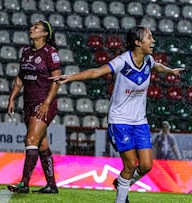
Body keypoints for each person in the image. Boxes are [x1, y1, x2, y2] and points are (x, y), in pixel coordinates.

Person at [49, 26, 184, 203]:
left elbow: (157, 67)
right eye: (149, 38)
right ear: (137, 42)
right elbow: (97, 72)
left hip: (140, 122)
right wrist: (70, 77)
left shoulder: (148, 60)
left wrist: (170, 71)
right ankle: (120, 198)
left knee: (146, 165)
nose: (153, 41)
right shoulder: (123, 61)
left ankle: (122, 182)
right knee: (130, 165)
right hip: (119, 121)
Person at [7, 20, 61, 194]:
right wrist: (12, 98)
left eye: (36, 28)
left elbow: (57, 80)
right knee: (42, 145)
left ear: (45, 34)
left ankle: (24, 183)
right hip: (28, 103)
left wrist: (46, 103)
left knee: (30, 140)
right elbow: (20, 77)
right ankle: (52, 185)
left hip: (44, 103)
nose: (32, 29)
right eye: (32, 27)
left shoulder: (50, 52)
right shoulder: (26, 51)